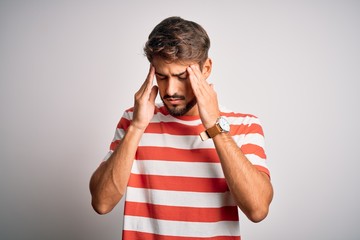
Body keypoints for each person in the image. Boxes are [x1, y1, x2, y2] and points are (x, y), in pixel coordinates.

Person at [90, 16, 273, 239]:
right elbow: (102, 203)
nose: (170, 90)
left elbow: (258, 210)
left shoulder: (243, 125)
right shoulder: (134, 119)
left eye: (181, 76)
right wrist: (137, 127)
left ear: (206, 69)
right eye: (162, 76)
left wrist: (215, 126)